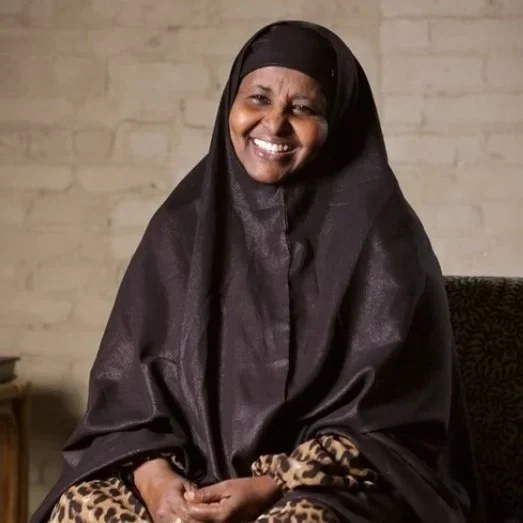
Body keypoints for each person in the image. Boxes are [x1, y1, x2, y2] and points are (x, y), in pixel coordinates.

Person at [30, 21, 483, 523]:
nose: (274, 124)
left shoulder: (383, 239)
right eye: (258, 99)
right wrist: (158, 484)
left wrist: (272, 484)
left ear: (337, 120)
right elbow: (125, 403)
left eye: (302, 108)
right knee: (82, 509)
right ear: (232, 103)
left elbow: (392, 425)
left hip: (329, 485)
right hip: (188, 478)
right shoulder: (181, 227)